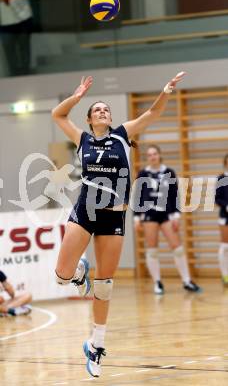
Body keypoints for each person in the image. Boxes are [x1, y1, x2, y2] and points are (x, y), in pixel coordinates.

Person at [52, 72, 186, 378]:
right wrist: (78, 96)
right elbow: (57, 114)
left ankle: (96, 344)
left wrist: (165, 89)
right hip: (86, 208)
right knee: (61, 276)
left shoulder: (123, 135)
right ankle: (78, 272)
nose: (103, 111)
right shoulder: (82, 138)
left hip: (114, 214)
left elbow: (154, 112)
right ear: (88, 118)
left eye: (106, 109)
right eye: (97, 109)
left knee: (105, 285)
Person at [133, 144, 202, 295]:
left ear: (159, 155)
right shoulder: (143, 173)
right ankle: (157, 282)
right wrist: (136, 218)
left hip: (166, 215)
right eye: (149, 155)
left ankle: (187, 281)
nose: (152, 157)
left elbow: (175, 196)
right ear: (147, 158)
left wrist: (176, 216)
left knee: (177, 248)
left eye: (155, 154)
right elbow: (138, 197)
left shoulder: (169, 172)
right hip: (149, 214)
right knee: (152, 250)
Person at [0, 0, 33, 76]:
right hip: (4, 24)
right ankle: (14, 76)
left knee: (24, 50)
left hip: (23, 19)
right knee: (10, 54)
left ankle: (26, 75)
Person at [215, 153, 228, 285]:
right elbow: (217, 198)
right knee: (225, 246)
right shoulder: (221, 178)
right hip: (225, 216)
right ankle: (225, 275)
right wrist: (226, 206)